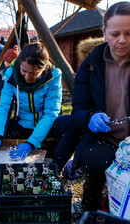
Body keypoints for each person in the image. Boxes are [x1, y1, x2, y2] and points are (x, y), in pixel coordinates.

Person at [0, 42, 81, 173]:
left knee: (73, 123)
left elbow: (51, 113)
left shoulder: (54, 76)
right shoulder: (11, 75)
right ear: (19, 63)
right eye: (24, 71)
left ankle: (54, 173)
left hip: (46, 126)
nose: (28, 77)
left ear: (44, 67)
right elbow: (3, 108)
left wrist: (30, 144)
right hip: (22, 124)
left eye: (34, 73)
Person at [71, 1, 130, 211]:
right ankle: (91, 211)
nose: (122, 40)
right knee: (94, 165)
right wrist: (90, 117)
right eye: (115, 34)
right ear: (104, 32)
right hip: (104, 139)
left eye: (129, 33)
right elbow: (77, 109)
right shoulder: (89, 66)